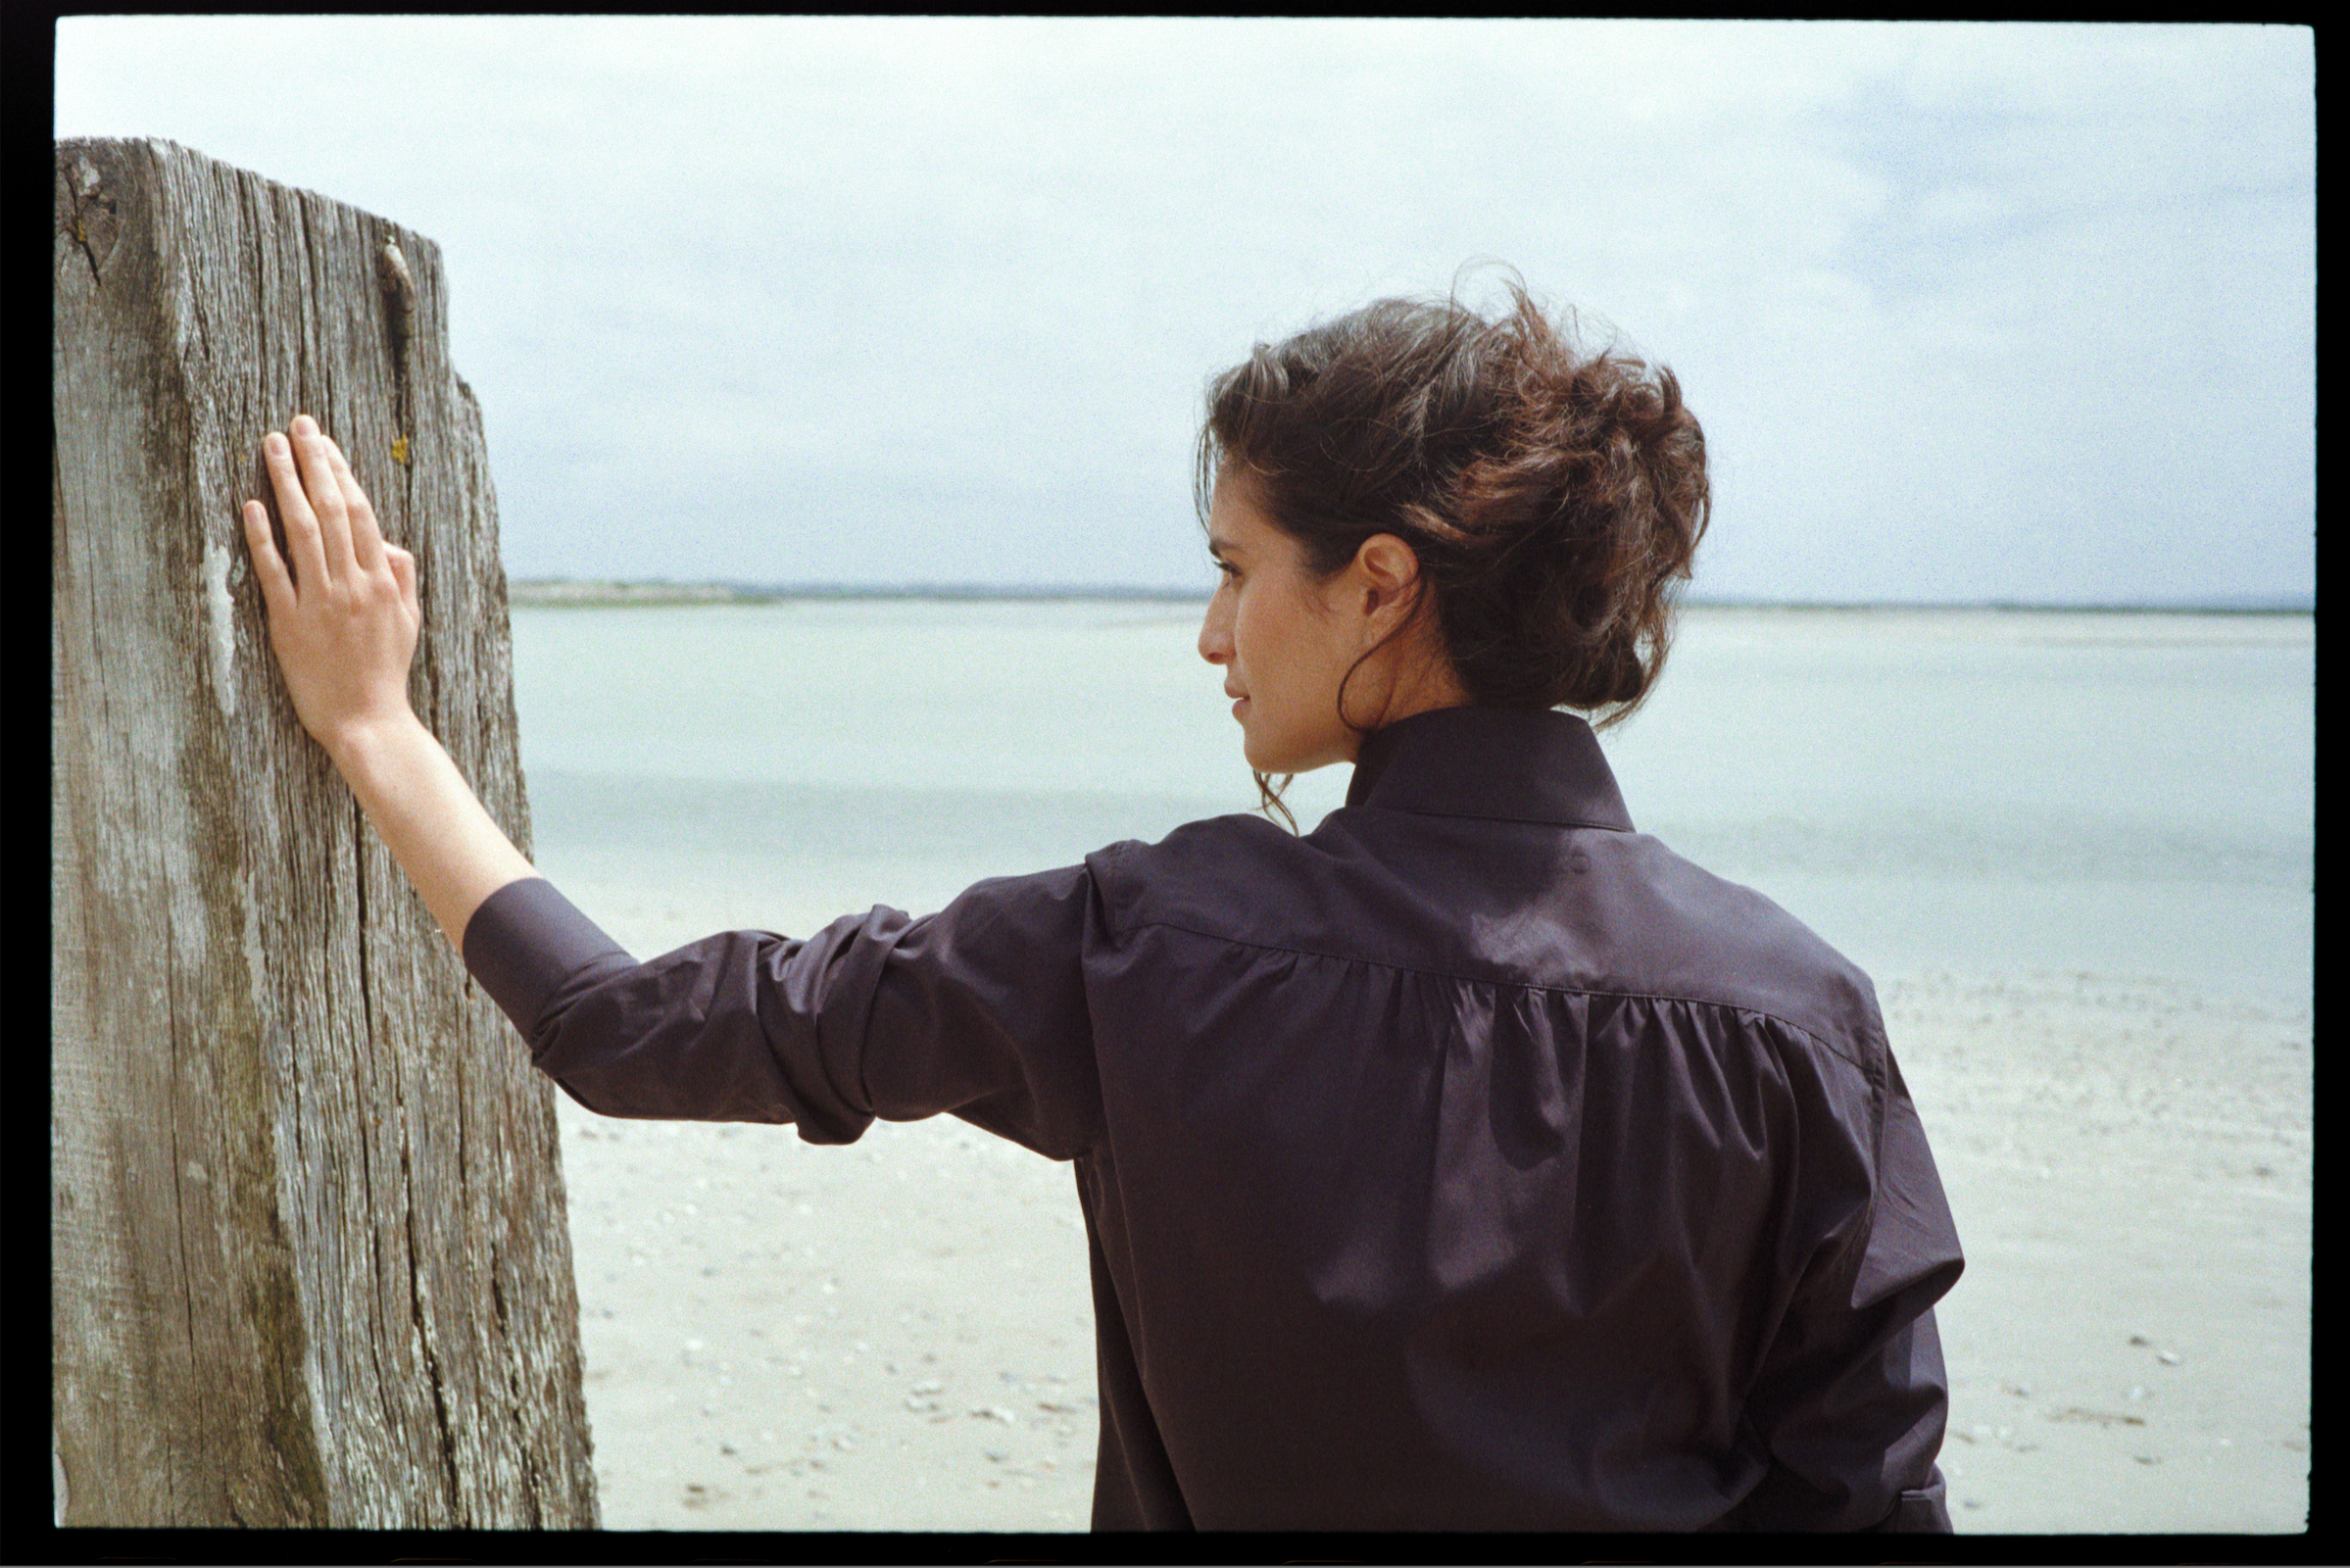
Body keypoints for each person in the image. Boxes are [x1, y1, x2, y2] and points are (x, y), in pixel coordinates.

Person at [241, 280, 1963, 1533]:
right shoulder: (1796, 1021)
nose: (1212, 635)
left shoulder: (1155, 944)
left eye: (1233, 569)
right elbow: (1868, 1495)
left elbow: (623, 1031)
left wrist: (376, 726)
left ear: (1379, 585)